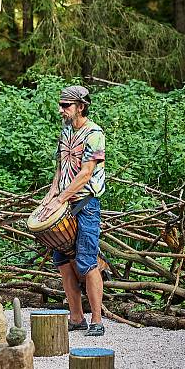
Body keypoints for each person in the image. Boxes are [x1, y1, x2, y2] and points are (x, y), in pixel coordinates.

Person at [39, 85, 106, 336]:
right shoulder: (65, 131)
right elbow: (60, 168)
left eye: (66, 105)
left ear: (81, 106)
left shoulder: (94, 133)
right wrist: (51, 195)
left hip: (86, 204)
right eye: (61, 104)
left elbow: (86, 172)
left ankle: (97, 321)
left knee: (87, 262)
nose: (61, 110)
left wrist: (62, 198)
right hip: (64, 203)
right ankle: (76, 318)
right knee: (64, 264)